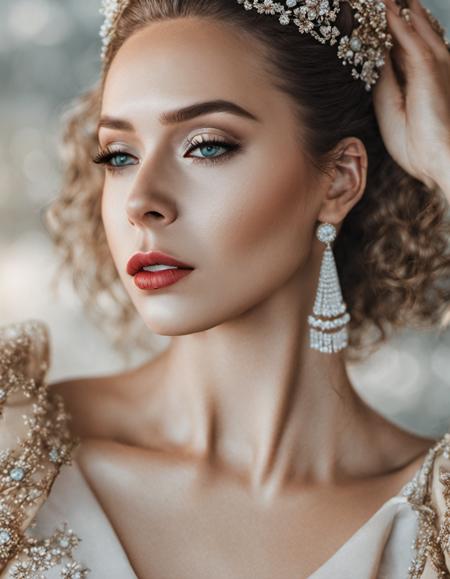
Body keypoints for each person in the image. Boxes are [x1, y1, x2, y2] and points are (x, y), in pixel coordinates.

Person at [1, 0, 450, 577]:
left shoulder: (433, 517)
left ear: (338, 180)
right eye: (119, 155)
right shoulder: (15, 444)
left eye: (207, 145)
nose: (141, 202)